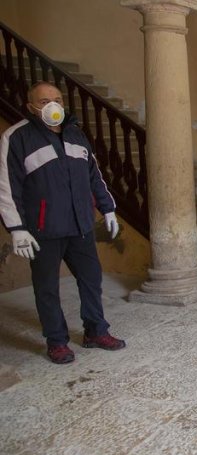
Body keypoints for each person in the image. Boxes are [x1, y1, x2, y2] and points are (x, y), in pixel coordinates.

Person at [0, 81, 125, 364]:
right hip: (44, 229)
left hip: (81, 225)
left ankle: (96, 331)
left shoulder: (76, 134)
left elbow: (94, 176)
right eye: (44, 102)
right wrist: (17, 229)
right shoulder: (17, 137)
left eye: (57, 100)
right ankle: (56, 341)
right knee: (47, 288)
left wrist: (108, 209)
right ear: (30, 106)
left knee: (91, 280)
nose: (53, 106)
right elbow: (7, 186)